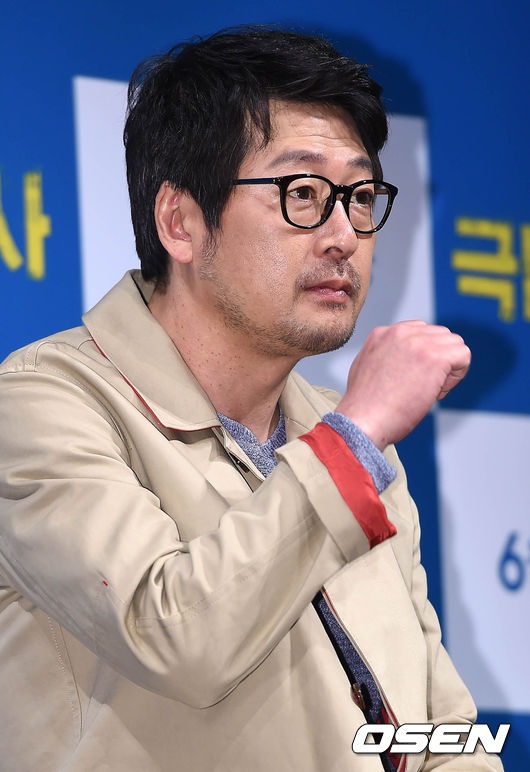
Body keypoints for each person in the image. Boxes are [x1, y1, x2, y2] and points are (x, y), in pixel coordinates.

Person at [0, 26, 502, 772]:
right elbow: (173, 637)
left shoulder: (347, 436)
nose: (344, 235)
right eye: (303, 194)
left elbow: (437, 728)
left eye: (360, 197)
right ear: (180, 222)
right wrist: (356, 437)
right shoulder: (40, 402)